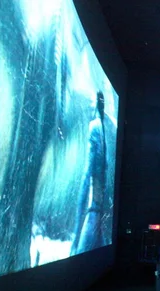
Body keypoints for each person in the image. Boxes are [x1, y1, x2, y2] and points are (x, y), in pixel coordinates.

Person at [71, 91, 108, 255]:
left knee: (83, 249)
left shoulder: (95, 127)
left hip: (95, 207)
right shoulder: (102, 129)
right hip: (98, 208)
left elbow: (88, 171)